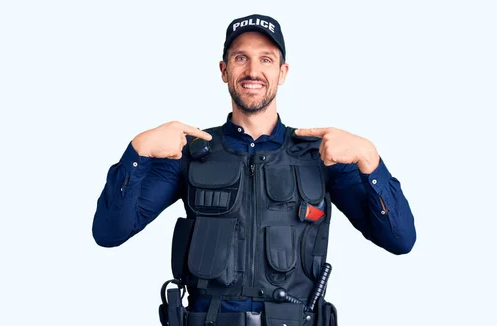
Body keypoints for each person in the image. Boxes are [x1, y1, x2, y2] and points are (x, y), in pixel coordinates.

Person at [92, 13, 416, 326]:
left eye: (265, 59)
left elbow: (400, 240)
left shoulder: (321, 155)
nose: (252, 71)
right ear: (223, 70)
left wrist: (370, 160)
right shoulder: (190, 152)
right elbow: (109, 232)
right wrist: (137, 153)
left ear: (283, 72)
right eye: (240, 58)